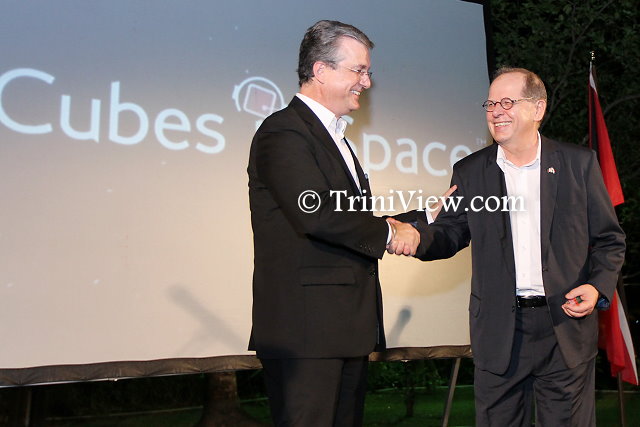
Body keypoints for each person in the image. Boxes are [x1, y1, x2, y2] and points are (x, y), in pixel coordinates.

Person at [410, 67, 625, 426]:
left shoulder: (578, 164)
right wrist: (416, 236)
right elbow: (451, 233)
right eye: (491, 104)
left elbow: (609, 239)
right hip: (499, 332)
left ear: (538, 108)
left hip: (565, 326)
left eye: (507, 102)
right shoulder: (470, 171)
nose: (496, 111)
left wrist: (596, 286)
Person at [247, 20, 421, 426]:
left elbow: (348, 216)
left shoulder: (335, 137)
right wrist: (390, 232)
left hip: (342, 329)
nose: (367, 82)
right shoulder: (283, 131)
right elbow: (317, 213)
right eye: (358, 70)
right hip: (306, 333)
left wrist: (419, 220)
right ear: (321, 70)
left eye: (368, 72)